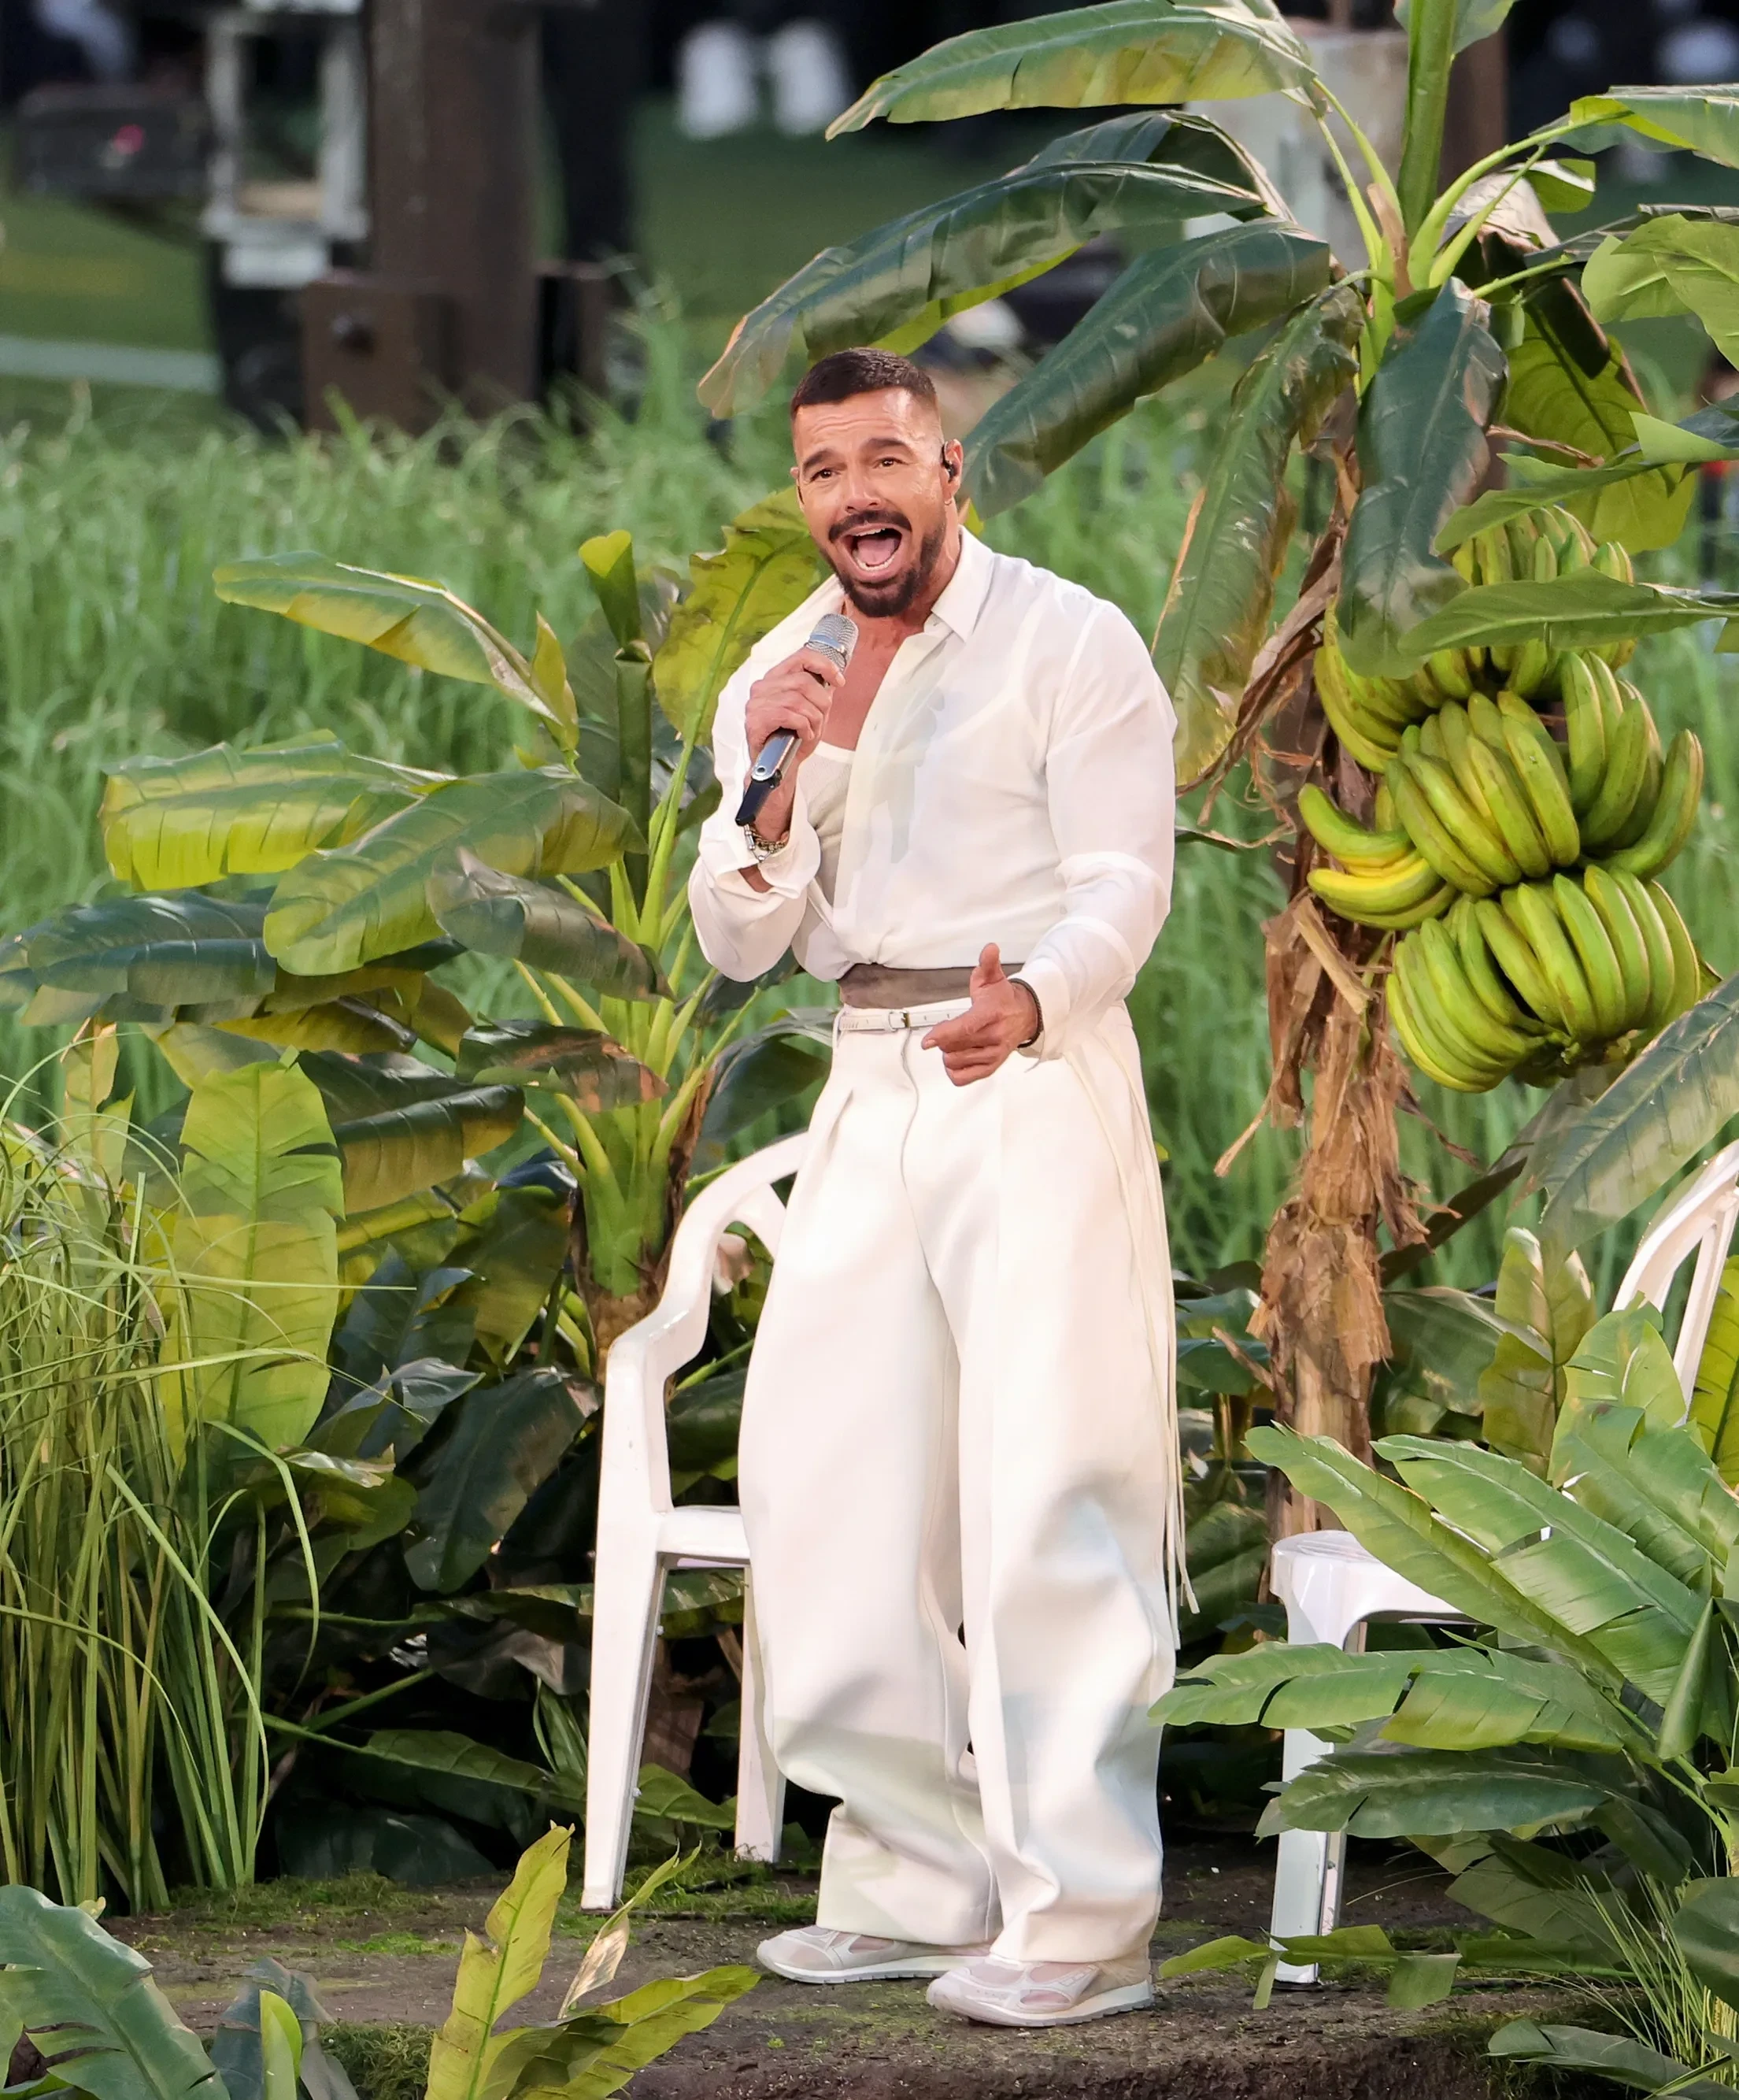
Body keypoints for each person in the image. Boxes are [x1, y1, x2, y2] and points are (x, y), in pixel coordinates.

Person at [687, 346, 1182, 2030]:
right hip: (865, 1073)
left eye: (886, 459)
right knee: (832, 1483)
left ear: (949, 469)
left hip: (1027, 1067)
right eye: (826, 471)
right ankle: (913, 1879)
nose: (858, 496)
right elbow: (736, 934)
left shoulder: (1068, 639)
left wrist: (1035, 996)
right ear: (804, 498)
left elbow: (1124, 879)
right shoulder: (779, 674)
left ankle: (1084, 1921)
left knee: (1051, 1487)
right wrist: (774, 780)